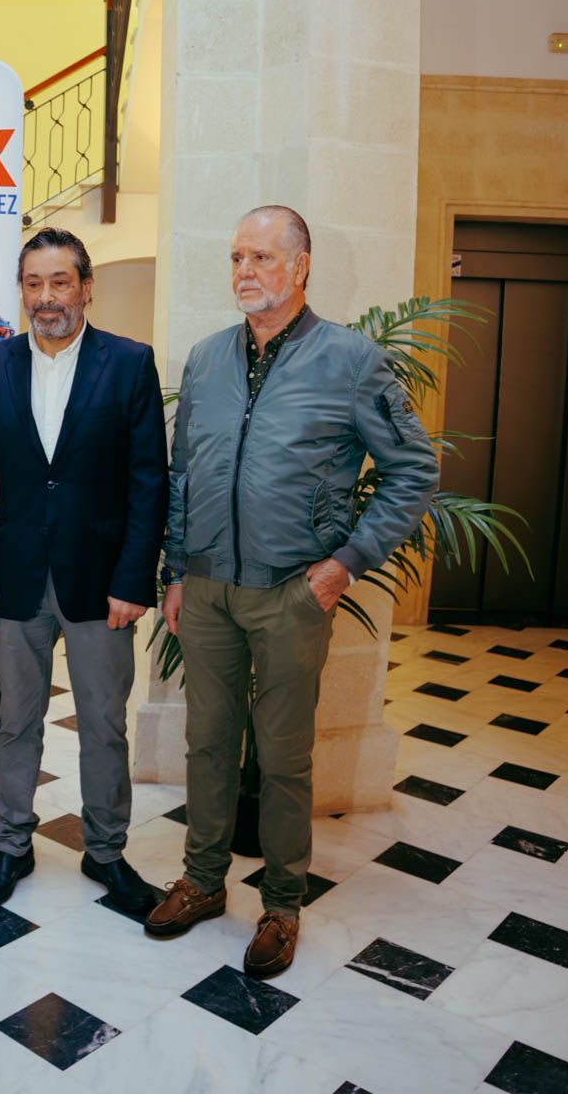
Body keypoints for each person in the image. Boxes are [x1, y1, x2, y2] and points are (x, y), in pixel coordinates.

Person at [146, 205, 438, 977]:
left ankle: (281, 904)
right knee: (207, 744)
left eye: (262, 258)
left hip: (291, 593)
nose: (245, 271)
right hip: (206, 590)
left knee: (282, 756)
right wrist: (176, 569)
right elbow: (183, 476)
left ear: (300, 267)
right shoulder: (208, 360)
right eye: (237, 257)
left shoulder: (350, 360)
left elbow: (414, 470)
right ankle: (204, 882)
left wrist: (346, 562)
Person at [0, 228, 168, 913]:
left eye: (60, 282)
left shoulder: (130, 363)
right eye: (34, 284)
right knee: (17, 720)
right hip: (14, 577)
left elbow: (148, 484)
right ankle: (12, 844)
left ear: (86, 286)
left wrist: (135, 580)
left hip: (101, 582)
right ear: (22, 292)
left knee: (104, 721)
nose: (47, 298)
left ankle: (106, 851)